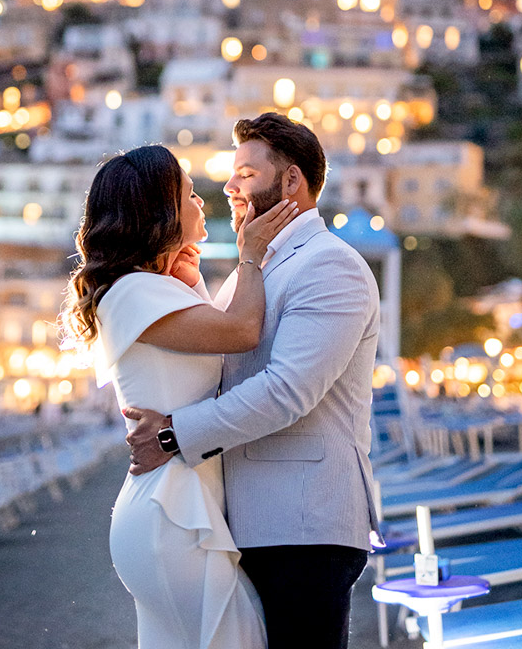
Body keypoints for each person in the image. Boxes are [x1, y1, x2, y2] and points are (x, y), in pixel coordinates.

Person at [125, 113, 383, 649]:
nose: (228, 186)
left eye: (245, 172)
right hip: (255, 526)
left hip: (304, 526)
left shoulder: (330, 266)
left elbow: (287, 393)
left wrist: (172, 435)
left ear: (291, 182)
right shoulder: (260, 268)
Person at [59, 144, 299, 649]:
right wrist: (251, 254)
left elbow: (212, 358)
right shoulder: (133, 290)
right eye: (190, 194)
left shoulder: (147, 289)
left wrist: (192, 284)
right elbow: (242, 332)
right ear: (161, 212)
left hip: (177, 506)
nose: (203, 202)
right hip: (170, 513)